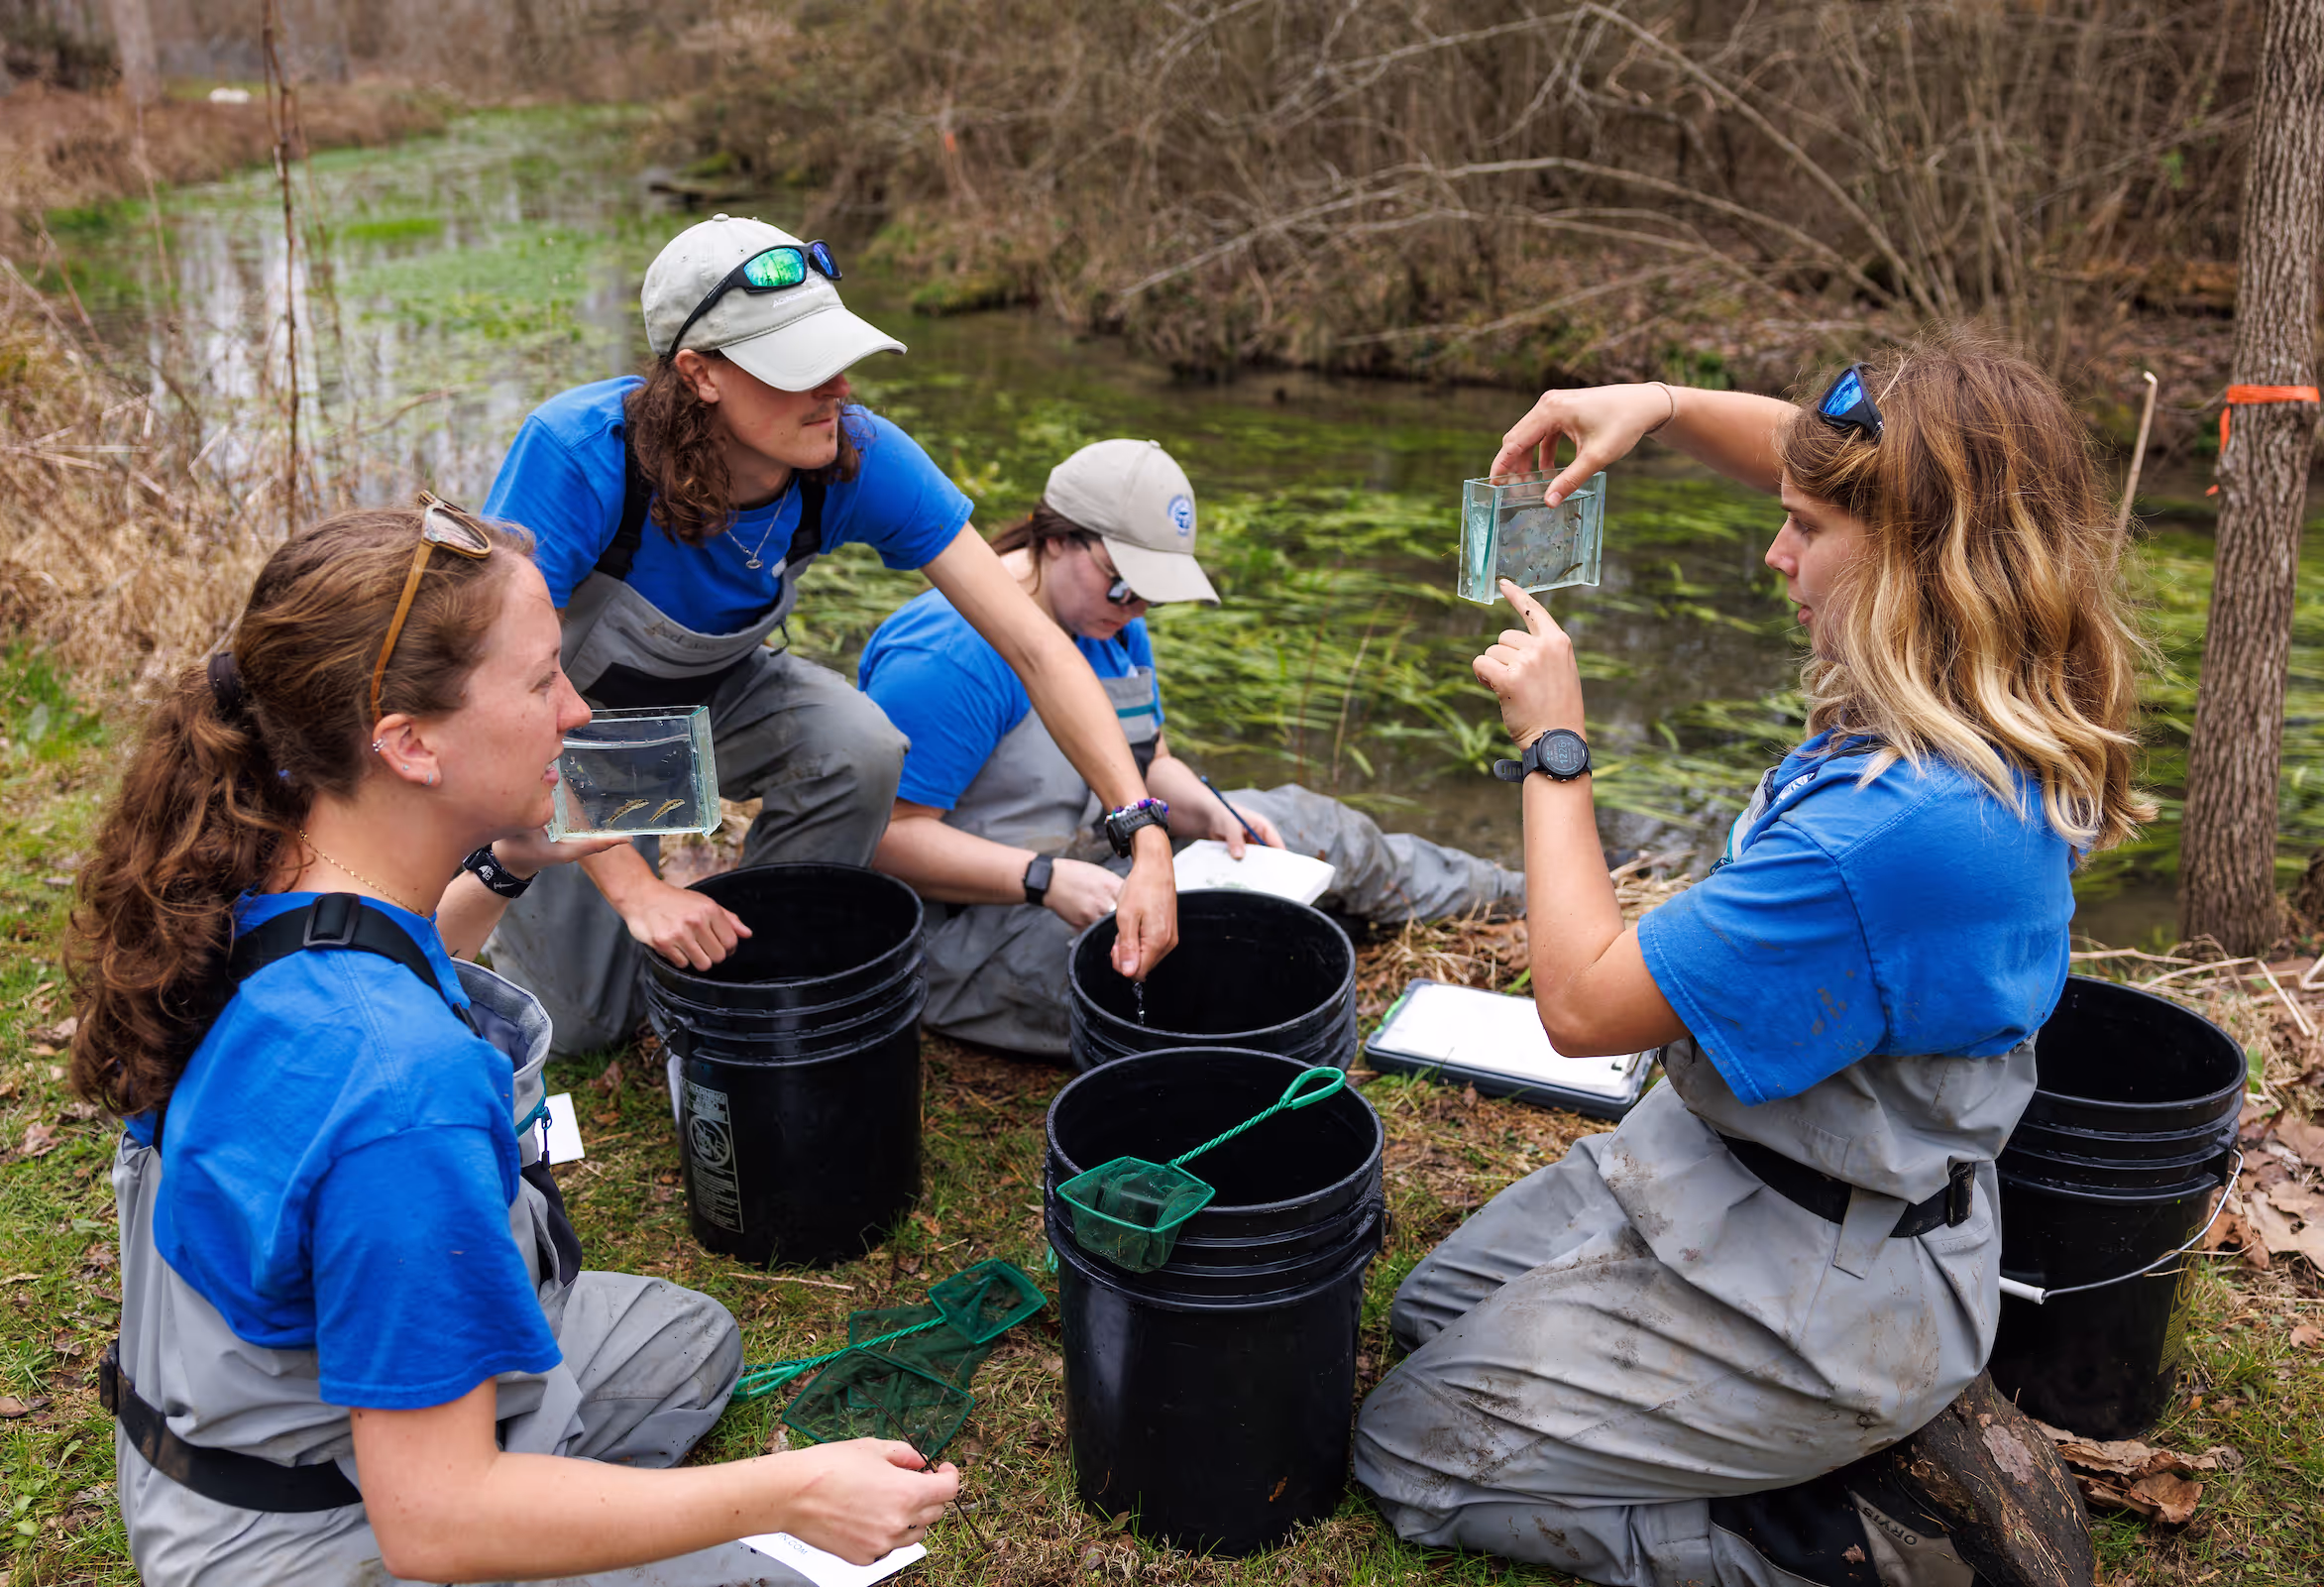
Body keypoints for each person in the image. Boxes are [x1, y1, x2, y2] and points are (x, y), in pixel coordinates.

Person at [1353, 347, 2143, 1587]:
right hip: (1736, 1166)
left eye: (1805, 529)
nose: (1776, 555)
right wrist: (1654, 408)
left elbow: (1578, 1003)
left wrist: (1557, 745)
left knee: (1407, 1451)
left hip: (1824, 1275)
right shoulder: (1999, 687)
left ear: (1917, 558)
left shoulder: (1892, 833)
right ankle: (1803, 1433)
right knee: (1426, 1317)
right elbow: (1812, 445)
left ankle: (1847, 1545)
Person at [64, 503, 957, 1586]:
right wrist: (790, 1491)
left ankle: (539, 1473)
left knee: (686, 1343)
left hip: (211, 1437)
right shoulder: (399, 1086)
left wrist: (509, 862)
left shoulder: (253, 873)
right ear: (407, 743)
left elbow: (372, 966)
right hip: (304, 1539)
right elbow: (436, 1524)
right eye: (542, 682)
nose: (578, 711)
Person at [482, 215, 1175, 1056]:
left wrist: (1141, 833)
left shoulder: (853, 453)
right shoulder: (579, 453)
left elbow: (1035, 645)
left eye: (838, 355)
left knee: (859, 743)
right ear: (700, 373)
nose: (838, 388)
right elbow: (497, 693)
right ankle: (492, 875)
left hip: (717, 697)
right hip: (568, 718)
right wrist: (632, 882)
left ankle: (761, 943)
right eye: (798, 368)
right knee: (585, 1023)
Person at [858, 438, 1525, 1058]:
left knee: (1315, 826)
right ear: (1056, 537)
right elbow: (886, 841)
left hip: (1101, 859)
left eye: (1153, 593)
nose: (1136, 607)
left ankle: (1513, 895)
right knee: (1199, 961)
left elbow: (1152, 762)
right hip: (978, 924)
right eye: (1123, 584)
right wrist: (1044, 880)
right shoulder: (947, 656)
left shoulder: (1110, 623)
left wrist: (1206, 813)